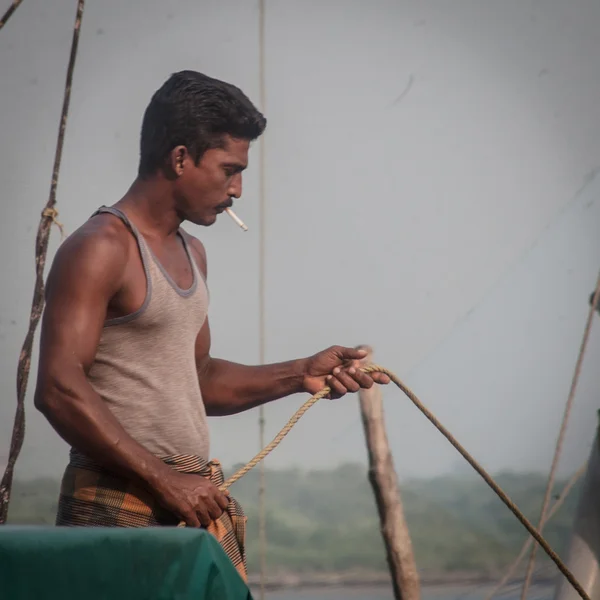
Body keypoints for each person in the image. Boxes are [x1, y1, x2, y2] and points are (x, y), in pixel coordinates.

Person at [34, 70, 389, 580]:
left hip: (187, 504)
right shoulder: (101, 247)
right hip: (115, 505)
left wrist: (300, 374)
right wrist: (165, 480)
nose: (238, 189)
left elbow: (199, 380)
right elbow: (58, 387)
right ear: (180, 158)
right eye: (229, 170)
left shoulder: (192, 252)